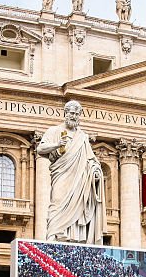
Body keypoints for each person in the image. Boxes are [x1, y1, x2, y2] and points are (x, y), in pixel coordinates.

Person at [36, 100, 104, 243]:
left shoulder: (83, 137)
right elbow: (40, 150)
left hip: (80, 179)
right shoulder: (54, 131)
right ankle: (52, 237)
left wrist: (96, 173)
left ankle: (74, 238)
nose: (74, 116)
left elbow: (91, 160)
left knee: (78, 207)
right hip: (62, 174)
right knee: (57, 202)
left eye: (77, 114)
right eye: (71, 113)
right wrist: (57, 144)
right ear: (65, 113)